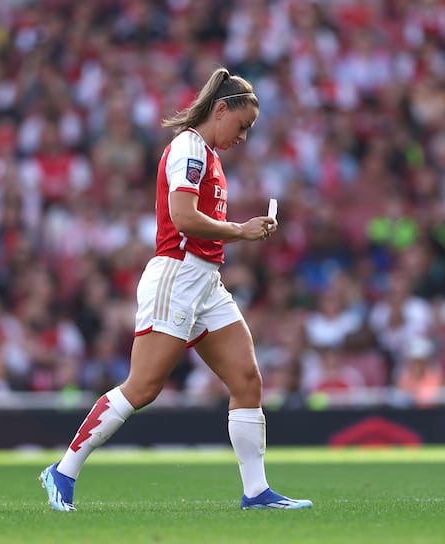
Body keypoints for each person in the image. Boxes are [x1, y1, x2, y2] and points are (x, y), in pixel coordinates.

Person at [39, 67, 312, 511]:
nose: (243, 137)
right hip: (177, 275)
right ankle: (63, 471)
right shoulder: (189, 147)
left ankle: (257, 491)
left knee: (246, 380)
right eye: (241, 126)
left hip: (206, 280)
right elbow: (182, 217)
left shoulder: (210, 155)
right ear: (220, 109)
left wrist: (240, 231)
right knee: (142, 387)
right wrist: (240, 231)